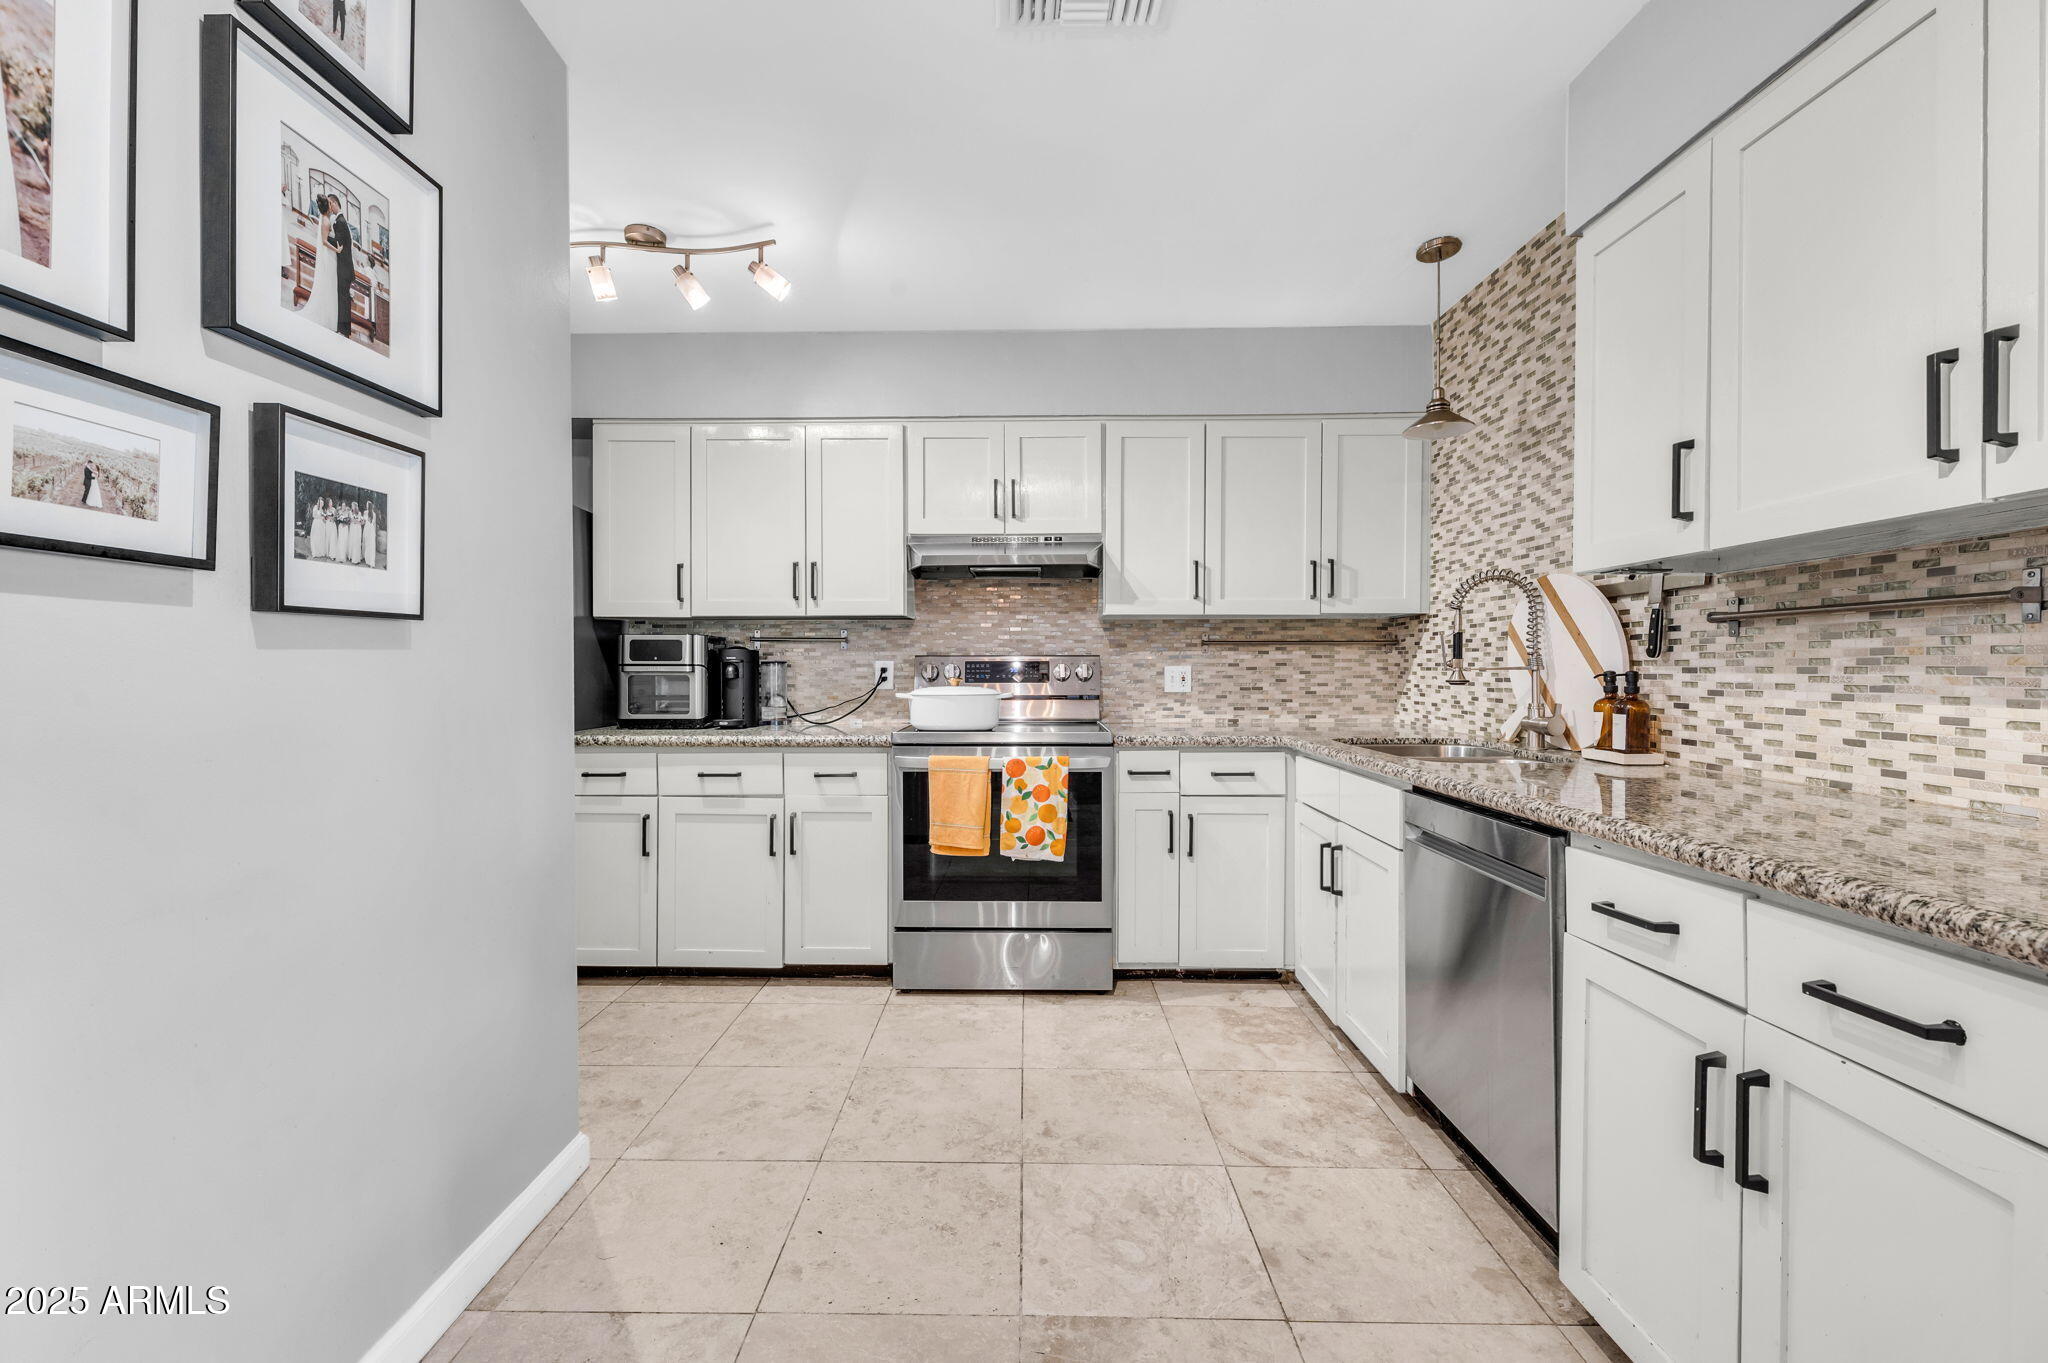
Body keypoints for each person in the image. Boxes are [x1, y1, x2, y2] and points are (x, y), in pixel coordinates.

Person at [306, 195, 338, 329]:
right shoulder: (325, 221)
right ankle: (327, 314)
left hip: (328, 254)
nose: (331, 205)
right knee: (329, 282)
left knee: (328, 282)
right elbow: (324, 242)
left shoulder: (324, 218)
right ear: (327, 206)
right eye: (330, 203)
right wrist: (337, 249)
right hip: (329, 255)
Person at [327, 204, 357, 338]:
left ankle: (344, 330)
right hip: (347, 267)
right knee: (344, 299)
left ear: (334, 204)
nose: (329, 207)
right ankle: (345, 330)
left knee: (343, 300)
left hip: (344, 269)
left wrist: (324, 238)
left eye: (330, 204)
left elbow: (338, 243)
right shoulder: (342, 220)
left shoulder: (340, 222)